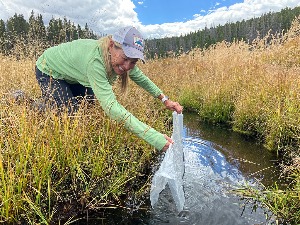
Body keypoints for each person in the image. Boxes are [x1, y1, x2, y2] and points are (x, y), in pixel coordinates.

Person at [35, 26, 183, 151]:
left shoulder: (121, 59)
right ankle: (34, 105)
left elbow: (141, 78)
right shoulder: (95, 61)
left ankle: (53, 101)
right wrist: (154, 137)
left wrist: (165, 100)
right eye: (125, 59)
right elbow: (111, 107)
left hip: (74, 76)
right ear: (111, 45)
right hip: (49, 71)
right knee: (70, 117)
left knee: (88, 104)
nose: (127, 67)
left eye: (133, 62)